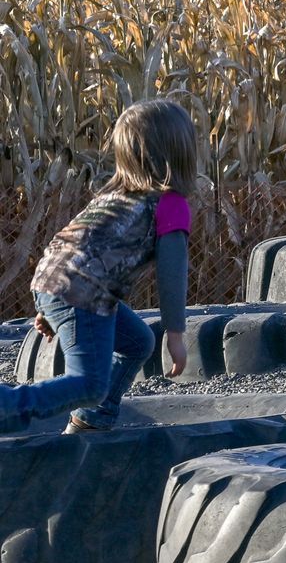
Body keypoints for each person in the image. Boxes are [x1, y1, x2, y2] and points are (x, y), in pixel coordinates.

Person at [4, 98, 197, 434]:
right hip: (83, 293)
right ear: (180, 153)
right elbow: (172, 274)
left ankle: (93, 420)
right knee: (88, 383)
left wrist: (49, 307)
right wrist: (175, 334)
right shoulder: (171, 205)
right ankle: (7, 407)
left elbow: (72, 245)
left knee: (138, 343)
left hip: (57, 283)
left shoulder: (113, 196)